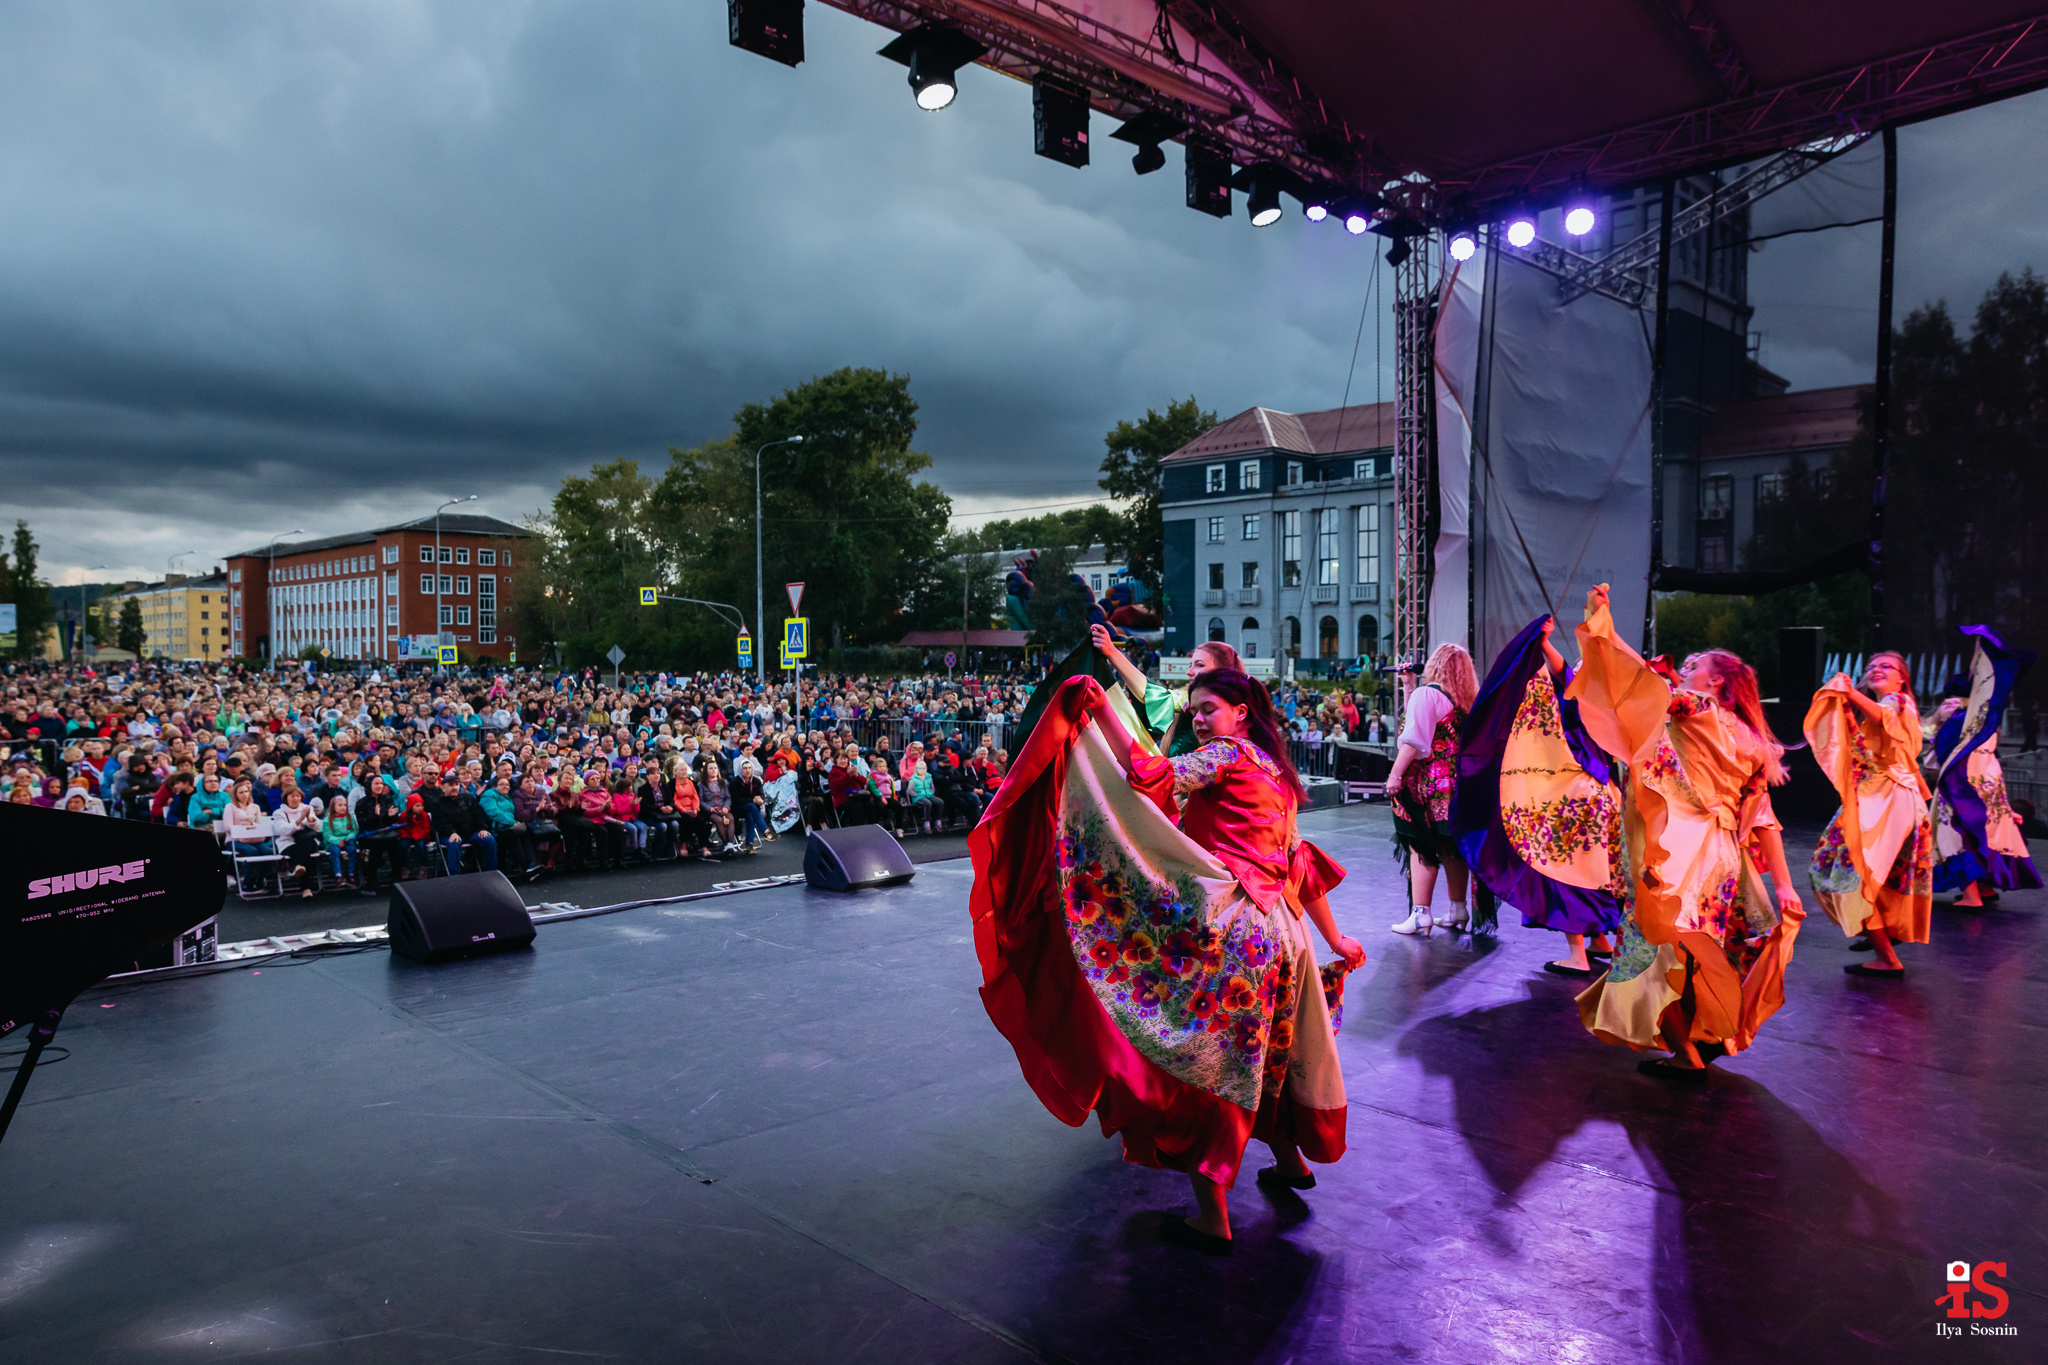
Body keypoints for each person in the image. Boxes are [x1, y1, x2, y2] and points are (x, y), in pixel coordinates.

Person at [975, 668, 1364, 1255]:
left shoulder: (1227, 754)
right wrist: (1332, 939)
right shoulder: (1275, 773)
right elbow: (1299, 865)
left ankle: (1213, 1217)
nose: (1199, 720)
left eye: (1209, 709)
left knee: (1209, 1066)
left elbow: (1152, 775)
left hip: (1239, 933)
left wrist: (1101, 712)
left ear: (1240, 713)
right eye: (1196, 710)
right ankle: (1291, 1163)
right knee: (1269, 1055)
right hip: (1285, 937)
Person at [1567, 585, 1805, 1081]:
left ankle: (1686, 1053)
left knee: (1653, 945)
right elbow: (1763, 818)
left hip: (1682, 847)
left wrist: (1606, 631)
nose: (1687, 667)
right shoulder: (1751, 739)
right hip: (1724, 857)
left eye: (1695, 664)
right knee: (1698, 950)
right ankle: (1702, 1036)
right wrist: (1783, 885)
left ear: (1716, 682)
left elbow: (1642, 686)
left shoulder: (1696, 707)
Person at [1453, 617, 1624, 976]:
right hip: (1605, 791)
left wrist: (1542, 641)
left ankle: (1577, 955)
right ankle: (1599, 941)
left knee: (1563, 869)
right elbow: (1565, 671)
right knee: (1596, 871)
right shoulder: (1614, 702)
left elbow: (1562, 672)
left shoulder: (1587, 694)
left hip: (1578, 791)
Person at [1804, 653, 1933, 977]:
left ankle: (1886, 954)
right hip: (1877, 795)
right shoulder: (1881, 710)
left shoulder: (1898, 702)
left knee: (1853, 875)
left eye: (1886, 666)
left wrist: (1850, 693)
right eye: (1872, 667)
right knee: (1843, 870)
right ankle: (1879, 933)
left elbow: (1883, 717)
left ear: (1902, 678)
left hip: (1889, 797)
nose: (1876, 670)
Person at [1929, 625, 2040, 907]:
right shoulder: (1983, 722)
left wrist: (1937, 721)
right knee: (1987, 831)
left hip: (1962, 784)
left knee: (1956, 834)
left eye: (1954, 701)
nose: (1949, 705)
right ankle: (1985, 888)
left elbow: (1937, 750)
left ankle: (1972, 896)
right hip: (1984, 781)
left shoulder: (1965, 723)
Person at [1385, 643, 1480, 937]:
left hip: (1428, 783)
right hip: (1457, 784)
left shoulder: (1429, 694)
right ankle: (1458, 909)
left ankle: (1420, 914)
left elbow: (1414, 739)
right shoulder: (1466, 702)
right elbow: (1423, 723)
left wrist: (1395, 774)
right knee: (1451, 847)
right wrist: (1409, 687)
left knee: (1420, 845)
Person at [1089, 624, 1241, 757]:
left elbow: (1150, 693)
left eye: (1199, 665)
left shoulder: (1190, 699)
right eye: (1190, 665)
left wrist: (1112, 652)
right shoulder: (1187, 698)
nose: (1189, 672)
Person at [273, 785, 325, 897]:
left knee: (305, 844)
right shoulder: (279, 813)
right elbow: (282, 830)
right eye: (292, 796)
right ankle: (306, 888)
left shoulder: (307, 808)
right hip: (288, 843)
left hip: (308, 841)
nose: (295, 799)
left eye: (297, 796)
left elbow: (318, 827)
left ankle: (296, 867)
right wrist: (299, 820)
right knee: (304, 854)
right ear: (286, 798)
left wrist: (310, 819)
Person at [354, 774, 403, 894]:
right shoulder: (362, 802)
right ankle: (371, 883)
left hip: (386, 834)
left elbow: (390, 821)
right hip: (369, 835)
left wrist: (391, 816)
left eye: (381, 783)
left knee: (397, 846)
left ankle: (397, 879)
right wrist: (375, 816)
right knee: (376, 850)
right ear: (369, 785)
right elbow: (362, 823)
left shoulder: (387, 800)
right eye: (376, 783)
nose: (380, 786)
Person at [321, 795, 360, 890]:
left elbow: (354, 830)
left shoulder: (349, 817)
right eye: (340, 805)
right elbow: (327, 835)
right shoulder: (327, 820)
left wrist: (349, 837)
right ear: (333, 807)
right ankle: (338, 874)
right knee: (335, 851)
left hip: (347, 840)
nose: (343, 807)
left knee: (352, 850)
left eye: (345, 805)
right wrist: (337, 841)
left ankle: (351, 873)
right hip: (334, 842)